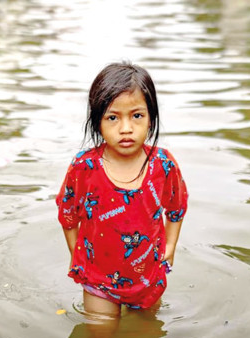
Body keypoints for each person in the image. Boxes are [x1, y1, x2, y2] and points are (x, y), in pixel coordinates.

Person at [56, 61, 189, 318]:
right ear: (98, 123)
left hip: (148, 277)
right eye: (113, 117)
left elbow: (177, 206)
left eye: (137, 116)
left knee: (146, 336)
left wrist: (170, 247)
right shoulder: (84, 166)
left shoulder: (163, 164)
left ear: (151, 119)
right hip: (98, 280)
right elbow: (68, 213)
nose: (126, 128)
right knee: (101, 335)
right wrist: (76, 256)